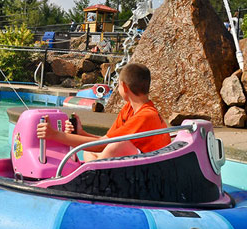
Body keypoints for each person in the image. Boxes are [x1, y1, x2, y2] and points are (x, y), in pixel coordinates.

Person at [37, 63, 170, 160]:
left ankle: (95, 176)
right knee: (90, 152)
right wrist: (81, 133)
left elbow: (103, 145)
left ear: (123, 86)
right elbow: (104, 140)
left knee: (117, 146)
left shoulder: (146, 116)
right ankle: (94, 171)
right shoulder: (129, 109)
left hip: (150, 168)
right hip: (137, 162)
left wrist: (54, 135)